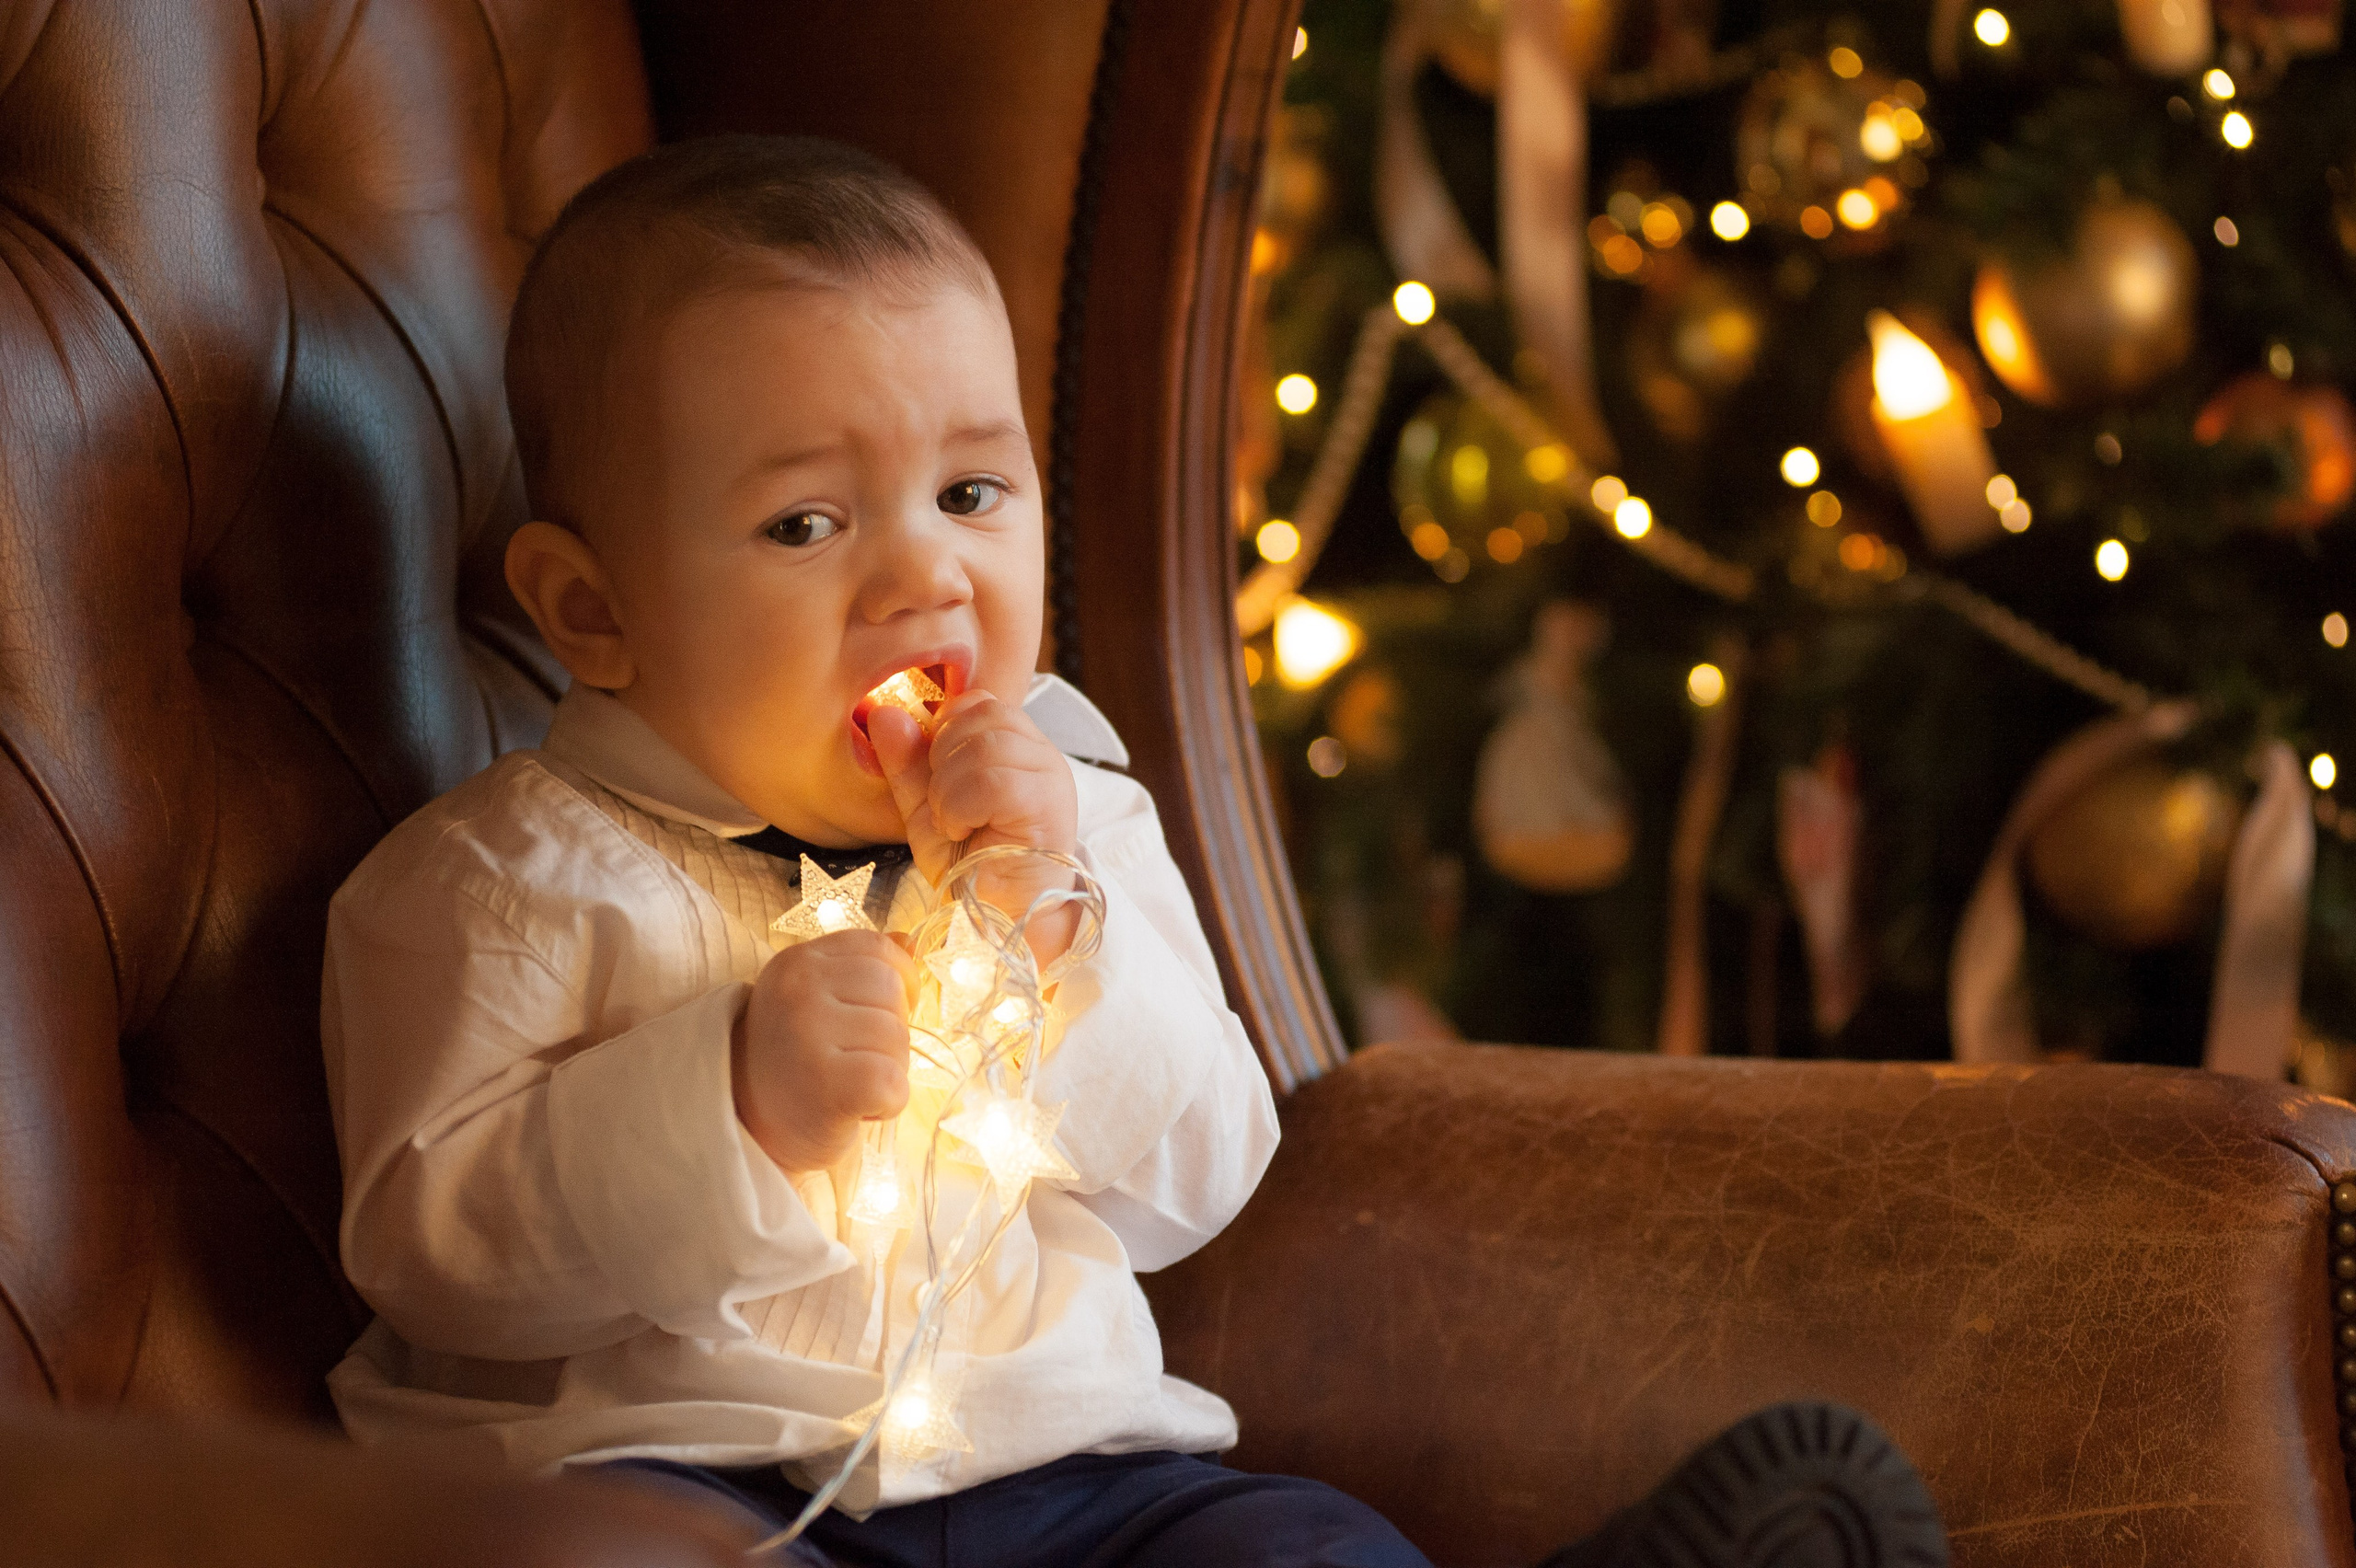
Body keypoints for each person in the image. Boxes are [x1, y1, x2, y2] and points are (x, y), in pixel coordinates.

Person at [320, 133, 1946, 1568]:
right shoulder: (506, 883)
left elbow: (1205, 1174)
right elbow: (436, 1250)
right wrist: (725, 1097)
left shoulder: (1076, 812)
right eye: (805, 523)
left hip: (1070, 1479)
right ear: (590, 609)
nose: (923, 578)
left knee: (1298, 1546)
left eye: (970, 490)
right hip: (686, 1486)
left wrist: (1055, 937)